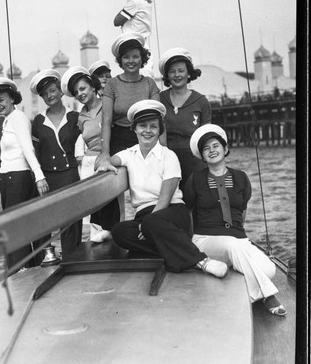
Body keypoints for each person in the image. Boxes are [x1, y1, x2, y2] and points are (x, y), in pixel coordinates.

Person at [97, 100, 228, 277]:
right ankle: (174, 251)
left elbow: (164, 200)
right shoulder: (129, 154)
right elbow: (106, 160)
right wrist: (104, 162)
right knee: (120, 232)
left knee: (151, 223)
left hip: (172, 212)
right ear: (134, 129)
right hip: (145, 217)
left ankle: (202, 261)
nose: (148, 131)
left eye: (153, 126)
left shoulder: (169, 156)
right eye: (142, 126)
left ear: (160, 130)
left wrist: (146, 226)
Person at [183, 124, 287, 316]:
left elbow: (243, 210)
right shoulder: (195, 179)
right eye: (206, 148)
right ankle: (268, 295)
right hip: (205, 240)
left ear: (225, 149)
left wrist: (238, 236)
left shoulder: (241, 178)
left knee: (269, 269)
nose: (211, 150)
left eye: (215, 146)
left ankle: (238, 283)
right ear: (202, 156)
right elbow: (187, 211)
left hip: (238, 241)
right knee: (232, 245)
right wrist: (191, 244)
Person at [0, 77, 49, 272]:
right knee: (22, 223)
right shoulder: (6, 121)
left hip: (17, 178)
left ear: (12, 98)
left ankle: (20, 270)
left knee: (14, 226)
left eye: (1, 100)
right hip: (10, 179)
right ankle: (32, 266)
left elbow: (28, 147)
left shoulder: (18, 118)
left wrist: (39, 175)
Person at [30, 69, 83, 259]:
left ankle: (70, 258)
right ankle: (46, 258)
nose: (49, 96)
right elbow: (35, 153)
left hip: (69, 174)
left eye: (52, 91)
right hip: (47, 177)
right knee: (43, 219)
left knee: (70, 220)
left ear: (60, 92)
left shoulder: (74, 117)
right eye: (45, 94)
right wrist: (38, 178)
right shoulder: (38, 121)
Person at [61, 66, 117, 243]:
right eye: (76, 92)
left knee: (111, 203)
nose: (80, 94)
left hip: (109, 159)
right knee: (92, 207)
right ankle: (97, 243)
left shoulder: (108, 105)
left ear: (93, 87)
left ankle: (115, 238)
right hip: (89, 162)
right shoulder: (81, 116)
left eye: (83, 88)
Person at [95, 31, 160, 173]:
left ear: (142, 59)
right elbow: (106, 121)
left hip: (147, 140)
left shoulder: (150, 84)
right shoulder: (112, 84)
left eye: (136, 56)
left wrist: (163, 150)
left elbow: (160, 120)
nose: (131, 61)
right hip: (119, 141)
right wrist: (105, 153)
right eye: (126, 57)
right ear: (120, 60)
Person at [159, 47, 212, 187]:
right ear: (167, 76)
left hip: (195, 164)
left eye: (181, 71)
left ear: (189, 74)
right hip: (167, 164)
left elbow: (207, 138)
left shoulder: (201, 101)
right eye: (172, 71)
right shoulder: (159, 99)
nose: (177, 75)